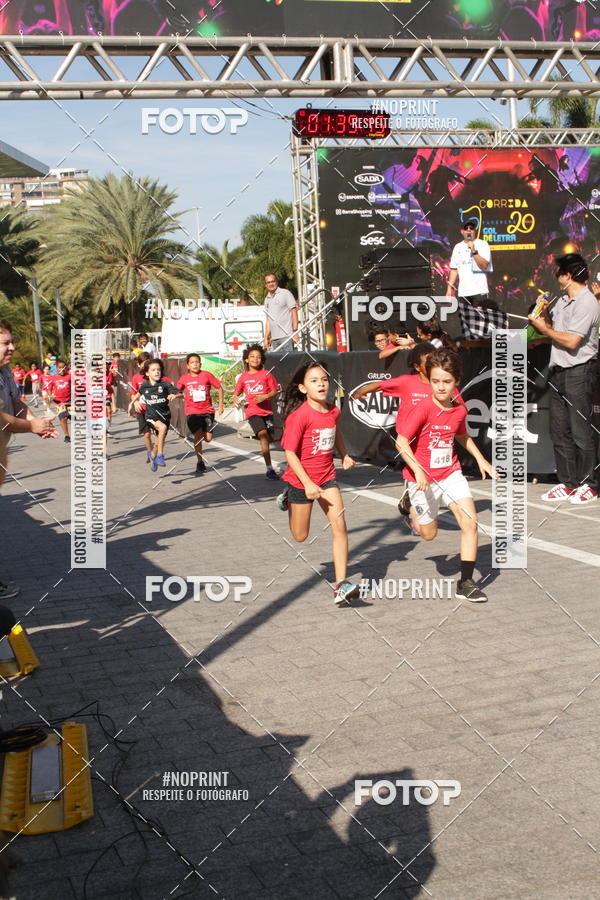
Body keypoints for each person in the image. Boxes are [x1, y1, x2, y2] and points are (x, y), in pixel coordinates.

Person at [395, 348, 495, 603]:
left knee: (470, 523)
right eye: (435, 381)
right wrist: (417, 470)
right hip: (422, 478)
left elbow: (461, 435)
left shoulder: (459, 409)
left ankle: (466, 582)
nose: (440, 387)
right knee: (428, 534)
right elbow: (402, 442)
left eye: (446, 382)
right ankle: (410, 505)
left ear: (457, 382)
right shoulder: (423, 408)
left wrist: (482, 460)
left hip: (451, 473)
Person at [352, 342, 463, 531]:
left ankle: (413, 502)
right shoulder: (406, 382)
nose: (431, 366)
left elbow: (459, 408)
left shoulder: (444, 386)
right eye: (426, 362)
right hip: (409, 443)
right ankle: (411, 502)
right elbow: (380, 385)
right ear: (417, 367)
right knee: (416, 479)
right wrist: (360, 392)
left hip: (433, 443)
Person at [277, 360, 360, 606]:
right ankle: (287, 498)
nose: (321, 384)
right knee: (300, 536)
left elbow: (336, 432)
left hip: (327, 478)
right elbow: (290, 454)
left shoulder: (333, 410)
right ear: (303, 388)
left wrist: (344, 454)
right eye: (314, 381)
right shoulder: (299, 416)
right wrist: (306, 484)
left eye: (324, 379)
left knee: (340, 527)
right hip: (301, 481)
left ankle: (341, 584)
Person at [527, 252, 599, 504]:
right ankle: (568, 483)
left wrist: (545, 329)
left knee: (581, 431)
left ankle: (589, 484)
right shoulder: (562, 300)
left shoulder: (587, 302)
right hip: (557, 371)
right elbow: (552, 330)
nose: (556, 277)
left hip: (579, 372)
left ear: (567, 276)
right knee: (559, 431)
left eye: (558, 273)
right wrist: (542, 314)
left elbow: (572, 340)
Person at [446, 216, 504, 339]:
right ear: (462, 231)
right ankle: (470, 349)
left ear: (475, 231)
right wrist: (449, 289)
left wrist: (474, 250)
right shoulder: (458, 247)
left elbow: (484, 265)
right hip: (463, 293)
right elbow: (454, 269)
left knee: (481, 324)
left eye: (471, 228)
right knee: (466, 325)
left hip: (479, 291)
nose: (468, 230)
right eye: (466, 228)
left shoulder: (483, 244)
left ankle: (482, 348)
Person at [233, 344, 280, 480]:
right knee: (263, 437)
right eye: (252, 356)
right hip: (253, 412)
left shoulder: (267, 374)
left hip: (267, 412)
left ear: (262, 360)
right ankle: (269, 469)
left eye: (258, 357)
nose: (255, 359)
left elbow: (275, 390)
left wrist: (264, 396)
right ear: (246, 360)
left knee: (271, 438)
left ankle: (269, 465)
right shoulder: (243, 377)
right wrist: (236, 399)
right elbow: (236, 393)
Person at [177, 353, 224, 475]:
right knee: (198, 436)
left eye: (197, 362)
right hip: (192, 412)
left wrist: (220, 405)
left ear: (200, 364)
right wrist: (176, 394)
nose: (195, 364)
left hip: (207, 411)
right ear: (187, 365)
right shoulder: (184, 378)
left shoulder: (206, 375)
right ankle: (200, 462)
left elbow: (219, 387)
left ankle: (202, 439)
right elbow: (178, 390)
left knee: (208, 438)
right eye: (192, 362)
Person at [131, 358, 181, 472]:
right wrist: (132, 403)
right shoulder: (145, 386)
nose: (157, 372)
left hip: (164, 416)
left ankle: (153, 456)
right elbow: (138, 393)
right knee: (161, 428)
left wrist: (175, 396)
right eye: (153, 370)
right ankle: (160, 456)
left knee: (160, 439)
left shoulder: (165, 384)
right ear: (147, 373)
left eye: (158, 369)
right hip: (151, 416)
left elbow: (179, 393)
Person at [127, 352, 153, 462]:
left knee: (159, 432)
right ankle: (150, 452)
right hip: (142, 409)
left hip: (155, 408)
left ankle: (156, 449)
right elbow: (133, 392)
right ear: (139, 365)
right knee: (147, 434)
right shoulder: (136, 377)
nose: (146, 364)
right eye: (143, 363)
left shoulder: (155, 374)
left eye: (148, 362)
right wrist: (136, 401)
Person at [263, 273, 299, 352]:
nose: (271, 284)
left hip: (287, 336)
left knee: (288, 362)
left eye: (273, 281)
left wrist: (295, 331)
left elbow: (294, 311)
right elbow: (268, 320)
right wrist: (266, 337)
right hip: (274, 339)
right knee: (278, 363)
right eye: (268, 282)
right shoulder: (266, 299)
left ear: (277, 282)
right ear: (265, 284)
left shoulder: (285, 293)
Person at [49, 359, 72, 443]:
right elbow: (49, 389)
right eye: (59, 367)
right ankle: (67, 436)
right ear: (56, 368)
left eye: (63, 367)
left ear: (66, 368)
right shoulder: (53, 378)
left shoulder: (69, 377)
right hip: (58, 402)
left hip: (69, 401)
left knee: (73, 417)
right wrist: (50, 395)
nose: (61, 369)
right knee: (63, 418)